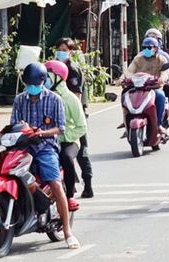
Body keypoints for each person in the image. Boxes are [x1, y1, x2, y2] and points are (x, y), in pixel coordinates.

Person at [11, 62, 80, 249]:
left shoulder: (55, 99)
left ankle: (67, 231)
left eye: (34, 83)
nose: (31, 88)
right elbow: (13, 124)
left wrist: (41, 133)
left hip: (45, 147)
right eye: (28, 83)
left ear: (43, 82)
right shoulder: (19, 100)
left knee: (55, 183)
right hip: (23, 148)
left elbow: (60, 128)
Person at [44, 60, 87, 210]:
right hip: (46, 138)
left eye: (48, 76)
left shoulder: (70, 99)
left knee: (66, 158)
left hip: (69, 140)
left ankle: (69, 196)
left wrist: (64, 137)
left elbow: (82, 126)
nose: (44, 80)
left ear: (58, 78)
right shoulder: (41, 97)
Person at [55, 37, 94, 198]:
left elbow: (76, 97)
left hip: (74, 115)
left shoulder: (73, 69)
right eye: (59, 50)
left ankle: (88, 183)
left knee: (81, 150)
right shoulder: (53, 68)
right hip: (56, 115)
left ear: (71, 52)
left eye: (65, 50)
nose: (61, 53)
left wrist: (72, 112)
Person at [123, 37, 169, 134]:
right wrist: (122, 79)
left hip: (153, 88)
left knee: (160, 96)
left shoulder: (161, 59)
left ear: (156, 48)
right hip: (139, 88)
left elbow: (165, 73)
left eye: (149, 47)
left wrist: (162, 78)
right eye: (144, 47)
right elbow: (129, 71)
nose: (146, 50)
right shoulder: (138, 59)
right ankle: (126, 122)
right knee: (125, 95)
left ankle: (159, 125)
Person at [144, 28, 169, 127]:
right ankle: (127, 119)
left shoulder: (164, 56)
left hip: (158, 84)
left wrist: (164, 78)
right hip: (142, 84)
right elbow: (132, 69)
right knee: (127, 92)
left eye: (154, 39)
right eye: (149, 38)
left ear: (159, 42)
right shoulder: (140, 56)